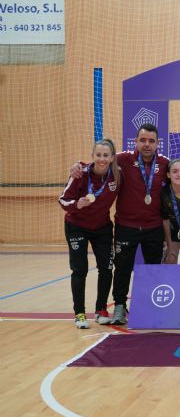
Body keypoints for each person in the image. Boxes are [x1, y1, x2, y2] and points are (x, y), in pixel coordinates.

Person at [69, 124, 169, 325]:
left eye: (151, 141)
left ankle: (150, 306)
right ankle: (120, 306)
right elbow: (99, 161)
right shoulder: (122, 159)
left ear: (158, 143)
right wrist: (77, 165)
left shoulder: (165, 163)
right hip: (126, 226)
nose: (147, 144)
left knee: (153, 269)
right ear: (136, 142)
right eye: (143, 140)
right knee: (122, 268)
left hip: (153, 227)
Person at [60, 139, 120, 328]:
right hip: (77, 226)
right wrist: (76, 204)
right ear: (92, 156)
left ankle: (101, 310)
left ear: (112, 158)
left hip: (102, 228)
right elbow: (63, 200)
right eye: (98, 155)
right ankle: (79, 313)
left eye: (106, 155)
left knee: (106, 269)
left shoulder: (117, 175)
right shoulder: (80, 173)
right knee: (80, 270)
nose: (102, 159)